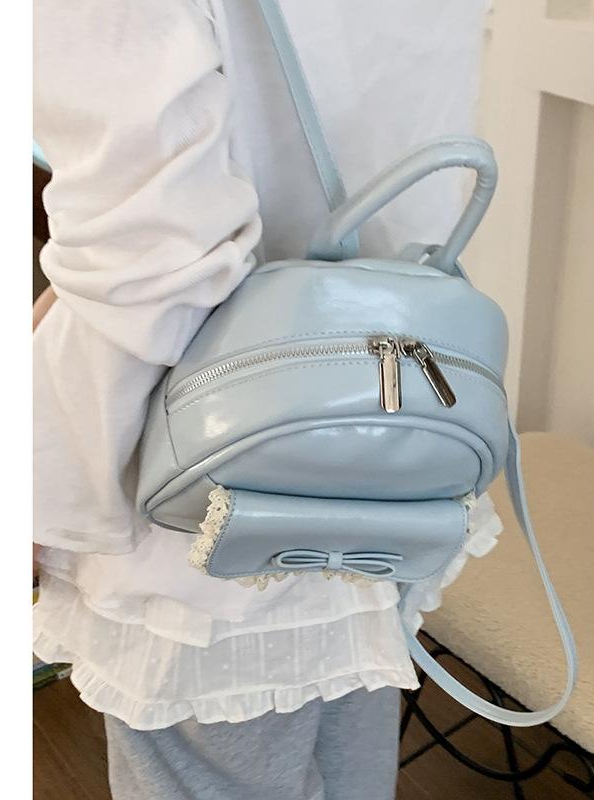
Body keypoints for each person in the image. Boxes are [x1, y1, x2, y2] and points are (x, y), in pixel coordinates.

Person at [33, 2, 491, 798]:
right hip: (393, 425)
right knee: (345, 763)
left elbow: (151, 267)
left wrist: (42, 492)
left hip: (201, 472)